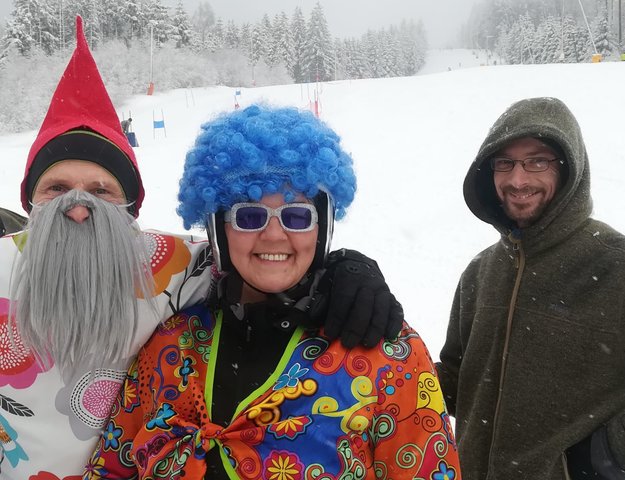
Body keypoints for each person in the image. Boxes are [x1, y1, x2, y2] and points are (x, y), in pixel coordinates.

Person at [0, 17, 404, 479]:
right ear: (30, 203)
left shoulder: (170, 266)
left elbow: (258, 260)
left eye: (101, 190)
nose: (77, 208)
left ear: (130, 212)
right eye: (56, 189)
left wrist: (347, 268)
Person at [85, 105, 460, 479]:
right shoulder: (171, 345)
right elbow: (110, 470)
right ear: (218, 229)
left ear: (322, 228)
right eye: (249, 216)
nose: (274, 235)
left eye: (297, 216)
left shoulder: (388, 353)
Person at [437, 96, 625, 480]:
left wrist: (613, 452)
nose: (518, 180)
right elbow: (457, 380)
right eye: (505, 163)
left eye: (537, 161)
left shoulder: (624, 270)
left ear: (569, 169)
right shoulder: (480, 272)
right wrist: (388, 365)